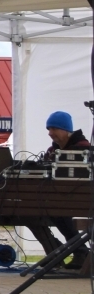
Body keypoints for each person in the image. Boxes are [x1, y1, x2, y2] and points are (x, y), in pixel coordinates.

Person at [41, 110, 90, 271]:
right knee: (30, 214)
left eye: (54, 129)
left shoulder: (83, 148)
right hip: (58, 200)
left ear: (65, 130)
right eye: (49, 129)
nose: (50, 133)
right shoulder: (51, 151)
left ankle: (74, 252)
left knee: (57, 212)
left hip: (80, 200)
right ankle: (58, 250)